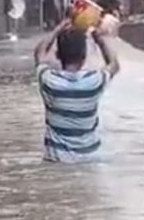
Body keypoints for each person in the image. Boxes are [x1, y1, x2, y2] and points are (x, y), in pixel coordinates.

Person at [34, 19, 120, 162]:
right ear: (84, 56)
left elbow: (39, 54)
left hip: (56, 162)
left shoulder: (49, 81)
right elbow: (114, 64)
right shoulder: (93, 82)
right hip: (90, 162)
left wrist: (59, 28)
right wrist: (98, 39)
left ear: (57, 55)